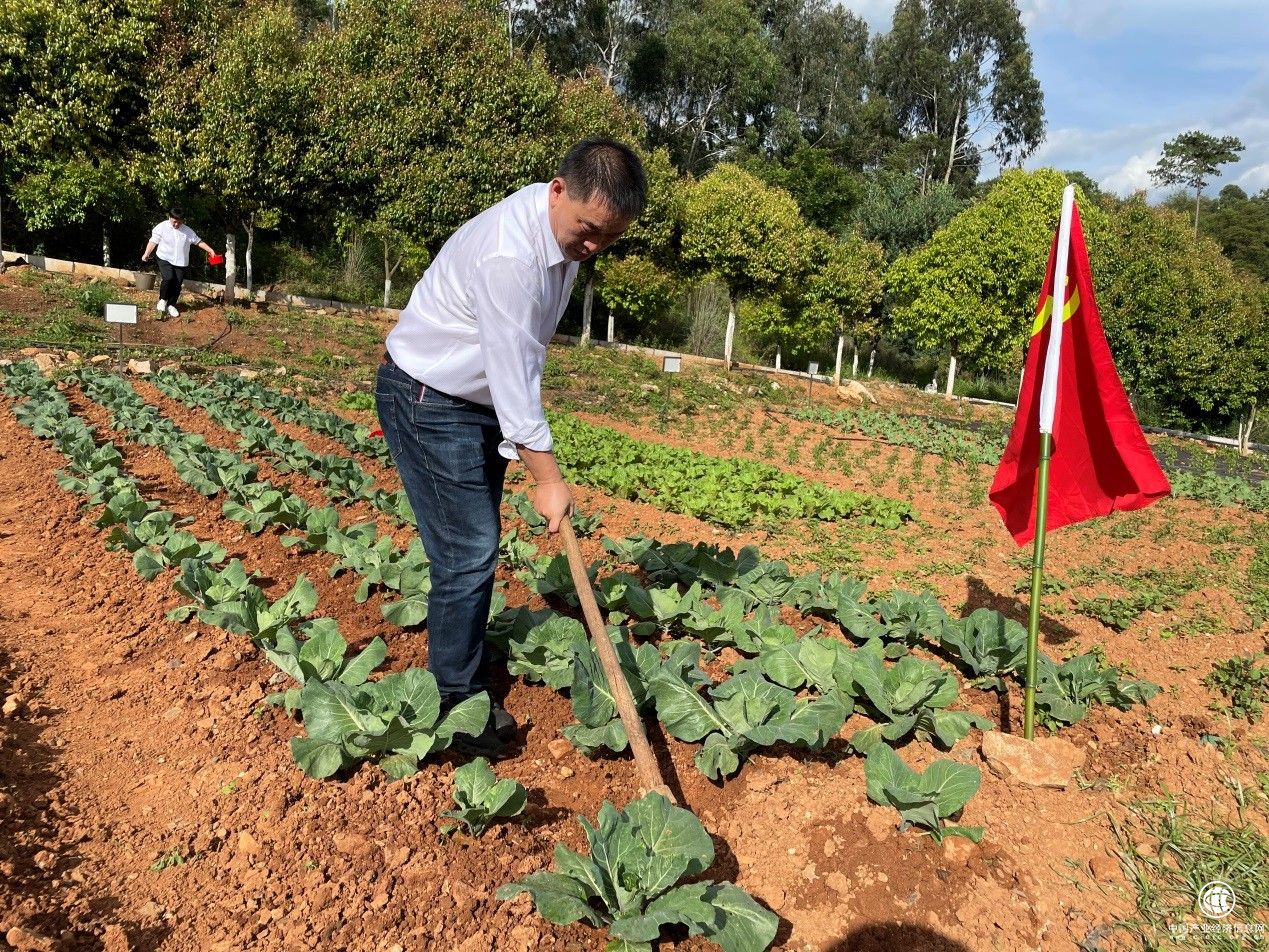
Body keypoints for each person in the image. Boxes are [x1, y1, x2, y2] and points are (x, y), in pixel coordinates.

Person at [375, 138, 646, 757]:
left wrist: (524, 444)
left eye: (608, 237)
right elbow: (514, 375)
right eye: (588, 230)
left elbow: (519, 363)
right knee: (468, 550)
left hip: (471, 403)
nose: (593, 247)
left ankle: (462, 656)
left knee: (472, 547)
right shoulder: (511, 256)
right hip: (429, 398)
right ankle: (453, 704)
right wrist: (547, 479)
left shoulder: (561, 235)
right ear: (558, 191)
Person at [141, 207, 218, 319]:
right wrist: (146, 253)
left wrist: (210, 250)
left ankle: (171, 305)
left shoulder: (188, 231)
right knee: (168, 278)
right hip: (164, 257)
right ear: (169, 218)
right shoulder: (161, 227)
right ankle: (162, 300)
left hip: (181, 261)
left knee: (177, 283)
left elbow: (198, 242)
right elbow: (153, 241)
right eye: (174, 221)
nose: (176, 224)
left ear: (183, 221)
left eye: (179, 222)